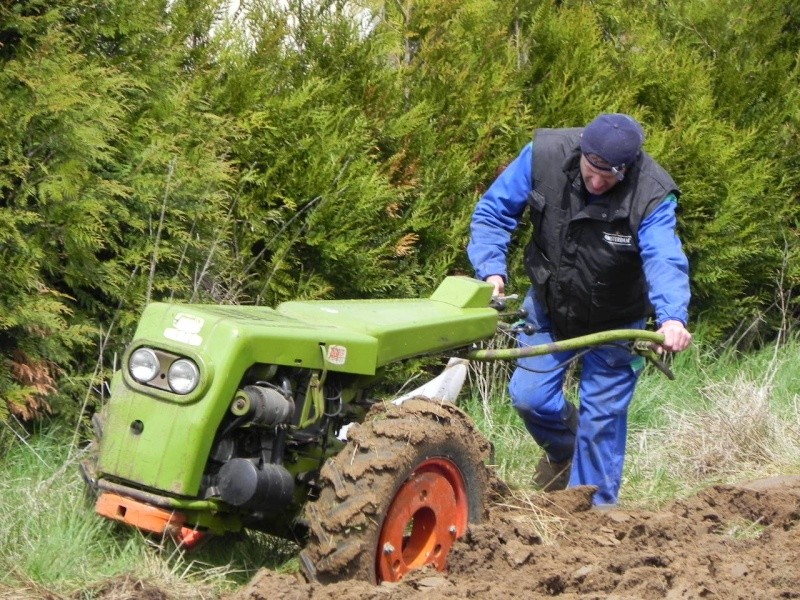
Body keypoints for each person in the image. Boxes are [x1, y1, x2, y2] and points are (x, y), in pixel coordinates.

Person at [467, 113, 692, 506]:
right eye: (595, 169)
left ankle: (595, 519)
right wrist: (491, 271)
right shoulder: (544, 155)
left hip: (617, 319)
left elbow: (664, 257)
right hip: (550, 306)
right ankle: (565, 451)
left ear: (631, 165)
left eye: (613, 174)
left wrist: (672, 316)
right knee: (529, 397)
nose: (601, 180)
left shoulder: (652, 192)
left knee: (601, 422)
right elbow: (494, 212)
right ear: (583, 151)